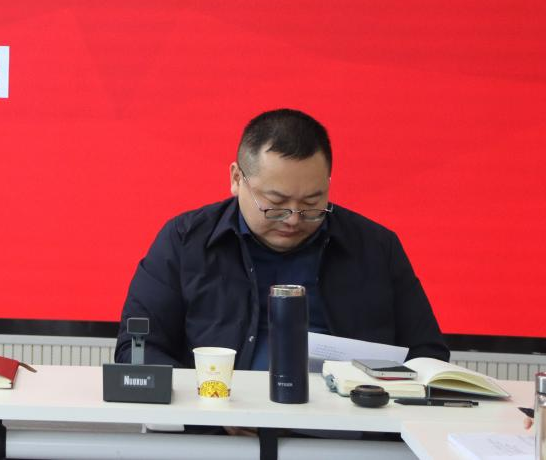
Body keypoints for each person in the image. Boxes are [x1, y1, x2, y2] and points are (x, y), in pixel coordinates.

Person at [116, 108, 448, 370]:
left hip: (347, 426)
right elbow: (136, 349)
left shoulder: (375, 248)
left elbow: (428, 354)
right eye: (275, 203)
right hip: (216, 426)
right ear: (237, 179)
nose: (293, 219)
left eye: (312, 203)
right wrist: (210, 400)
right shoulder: (184, 241)